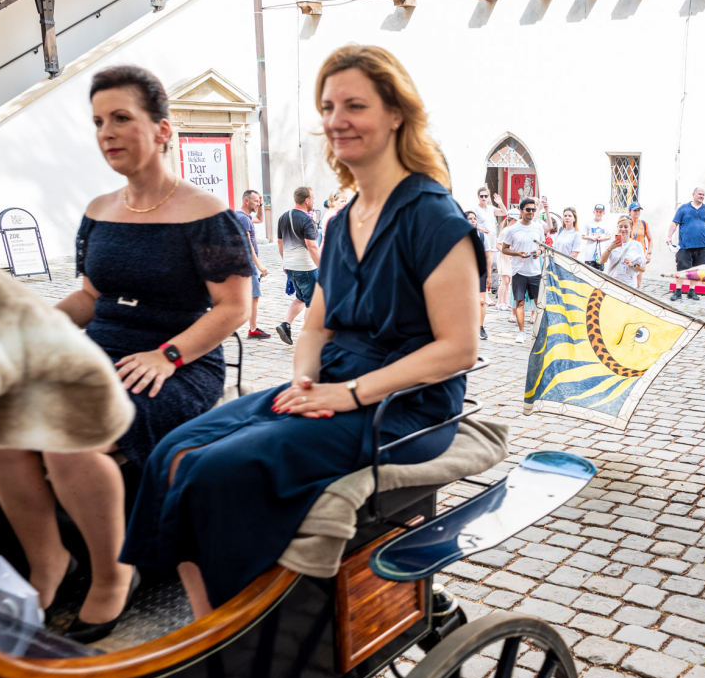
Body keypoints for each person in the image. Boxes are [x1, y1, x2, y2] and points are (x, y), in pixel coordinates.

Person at [123, 44, 482, 619]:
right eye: (328, 107)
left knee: (217, 471)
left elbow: (458, 348)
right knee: (174, 449)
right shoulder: (343, 222)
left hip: (407, 409)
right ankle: (207, 626)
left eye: (354, 105)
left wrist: (349, 395)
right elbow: (314, 326)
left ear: (396, 114)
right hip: (334, 382)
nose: (336, 120)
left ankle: (236, 633)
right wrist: (306, 380)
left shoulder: (434, 217)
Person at [0, 65, 252, 641]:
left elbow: (234, 308)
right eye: (99, 121)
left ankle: (114, 574)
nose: (107, 132)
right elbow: (90, 297)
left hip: (178, 366)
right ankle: (49, 561)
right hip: (99, 355)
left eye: (121, 118)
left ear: (162, 129)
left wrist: (168, 355)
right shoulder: (99, 210)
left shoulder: (207, 214)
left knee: (69, 437)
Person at [275, 187, 322, 345]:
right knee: (312, 302)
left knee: (301, 298)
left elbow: (280, 243)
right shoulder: (307, 220)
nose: (314, 201)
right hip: (306, 267)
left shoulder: (283, 217)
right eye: (313, 198)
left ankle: (285, 325)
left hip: (290, 266)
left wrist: (285, 261)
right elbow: (312, 247)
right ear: (306, 200)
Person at [498, 196, 546, 344]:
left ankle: (540, 333)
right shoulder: (512, 229)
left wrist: (539, 251)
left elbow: (543, 245)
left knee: (539, 304)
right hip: (518, 271)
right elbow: (504, 249)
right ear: (521, 210)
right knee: (520, 302)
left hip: (535, 271)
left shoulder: (538, 227)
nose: (531, 212)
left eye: (533, 210)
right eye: (528, 210)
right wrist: (518, 254)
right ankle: (521, 332)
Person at [666, 187, 705, 301]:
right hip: (685, 245)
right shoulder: (683, 208)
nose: (701, 196)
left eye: (703, 194)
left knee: (696, 270)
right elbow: (674, 223)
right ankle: (678, 291)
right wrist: (669, 236)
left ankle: (691, 291)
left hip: (702, 246)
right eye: (699, 194)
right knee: (681, 269)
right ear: (693, 194)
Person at [236, 189, 271, 340]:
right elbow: (247, 244)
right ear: (246, 201)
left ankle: (233, 326)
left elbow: (260, 219)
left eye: (258, 201)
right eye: (255, 201)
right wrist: (259, 266)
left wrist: (261, 203)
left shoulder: (242, 216)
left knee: (243, 297)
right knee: (254, 296)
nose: (257, 204)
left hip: (242, 263)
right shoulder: (243, 219)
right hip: (248, 264)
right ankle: (253, 329)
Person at [601, 216, 647, 287]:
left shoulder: (637, 245)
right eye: (620, 226)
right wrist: (610, 248)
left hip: (630, 286)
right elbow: (602, 261)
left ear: (631, 228)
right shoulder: (611, 243)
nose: (623, 229)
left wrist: (632, 265)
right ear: (617, 227)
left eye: (626, 227)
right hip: (613, 284)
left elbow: (643, 268)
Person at [466, 209, 489, 340]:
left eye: (474, 218)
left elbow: (487, 256)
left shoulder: (481, 236)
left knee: (481, 301)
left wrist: (489, 275)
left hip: (480, 271)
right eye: (470, 218)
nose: (473, 221)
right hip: (465, 272)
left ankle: (480, 327)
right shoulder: (459, 235)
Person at [582, 203, 614, 271]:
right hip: (590, 255)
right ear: (594, 212)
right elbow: (583, 236)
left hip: (601, 254)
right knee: (589, 272)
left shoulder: (606, 224)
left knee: (599, 273)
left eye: (600, 212)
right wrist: (591, 237)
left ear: (603, 213)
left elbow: (609, 236)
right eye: (597, 211)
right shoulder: (588, 223)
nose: (598, 213)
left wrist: (602, 238)